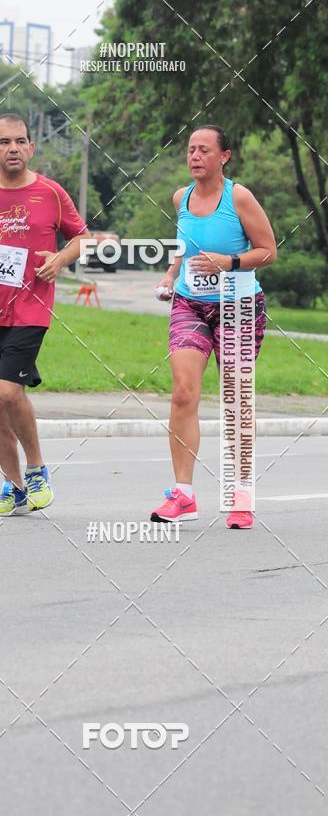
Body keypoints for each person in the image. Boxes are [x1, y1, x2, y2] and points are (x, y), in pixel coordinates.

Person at [0, 113, 89, 516]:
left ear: (31, 147)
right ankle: (14, 486)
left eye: (20, 141)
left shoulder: (51, 192)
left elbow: (81, 237)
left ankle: (37, 469)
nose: (13, 149)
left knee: (9, 391)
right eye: (4, 142)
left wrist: (59, 260)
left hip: (31, 307)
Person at [151, 125, 277, 530]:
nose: (195, 157)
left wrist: (230, 262)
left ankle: (240, 493)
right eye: (190, 150)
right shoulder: (180, 198)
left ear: (224, 156)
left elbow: (268, 251)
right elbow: (184, 245)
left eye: (204, 150)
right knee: (183, 392)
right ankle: (183, 494)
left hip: (238, 304)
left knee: (236, 399)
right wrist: (172, 274)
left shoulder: (238, 196)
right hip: (190, 303)